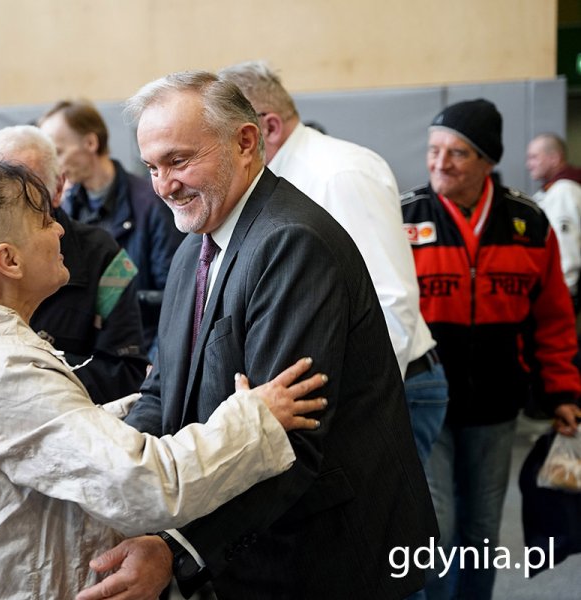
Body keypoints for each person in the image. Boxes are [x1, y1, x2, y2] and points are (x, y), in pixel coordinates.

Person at [0, 162, 328, 598]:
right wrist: (253, 422)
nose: (60, 228)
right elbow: (144, 485)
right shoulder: (1, 370)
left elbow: (44, 437)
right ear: (9, 260)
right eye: (44, 221)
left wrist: (155, 404)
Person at [79, 71, 437, 600]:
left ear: (246, 142)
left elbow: (288, 441)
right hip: (248, 556)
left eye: (178, 161)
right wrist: (128, 479)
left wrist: (175, 549)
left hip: (321, 562)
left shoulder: (292, 242)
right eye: (152, 167)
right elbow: (164, 389)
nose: (163, 185)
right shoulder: (192, 247)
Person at [219, 59, 447, 468]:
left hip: (393, 387)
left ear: (267, 129)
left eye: (229, 138)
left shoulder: (339, 173)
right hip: (353, 386)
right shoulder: (288, 179)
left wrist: (357, 407)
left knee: (403, 529)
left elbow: (391, 300)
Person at [401, 98, 581, 599]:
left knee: (480, 529)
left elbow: (553, 319)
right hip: (424, 402)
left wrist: (563, 390)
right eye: (434, 150)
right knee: (436, 523)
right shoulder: (403, 218)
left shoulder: (529, 223)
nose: (440, 163)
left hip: (497, 405)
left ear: (488, 161)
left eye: (457, 153)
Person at [0, 125, 148, 403]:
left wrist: (27, 377)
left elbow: (126, 371)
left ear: (57, 189)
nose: (1, 207)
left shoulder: (106, 256)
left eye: (21, 194)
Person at [39, 100, 185, 355]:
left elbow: (175, 297)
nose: (55, 166)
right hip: (88, 349)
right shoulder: (66, 206)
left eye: (58, 152)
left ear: (91, 143)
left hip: (142, 347)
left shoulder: (150, 203)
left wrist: (116, 299)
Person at [525, 133, 581, 306]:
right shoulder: (552, 190)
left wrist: (563, 293)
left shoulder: (563, 191)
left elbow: (567, 247)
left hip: (561, 293)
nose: (528, 165)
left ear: (554, 158)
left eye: (534, 157)